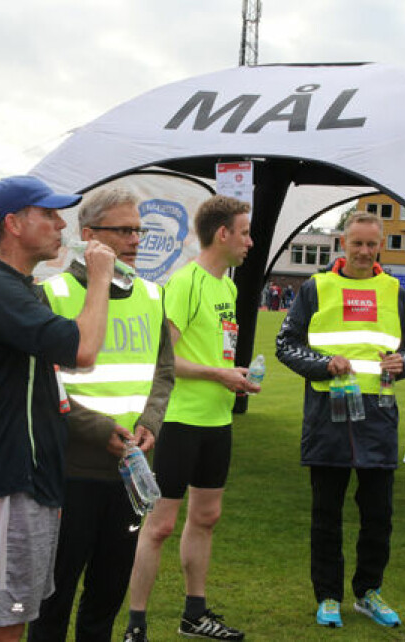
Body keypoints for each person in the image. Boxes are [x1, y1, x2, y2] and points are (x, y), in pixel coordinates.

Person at [0, 175, 116, 642]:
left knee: (14, 617)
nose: (60, 224)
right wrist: (100, 277)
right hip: (5, 483)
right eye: (48, 214)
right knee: (0, 621)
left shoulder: (18, 288)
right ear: (13, 223)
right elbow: (83, 350)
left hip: (30, 481)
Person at [28, 188, 175, 642]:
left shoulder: (152, 295)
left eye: (139, 229)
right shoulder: (49, 294)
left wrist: (150, 422)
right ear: (88, 235)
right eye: (124, 230)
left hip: (128, 475)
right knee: (52, 601)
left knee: (106, 601)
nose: (135, 240)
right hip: (69, 472)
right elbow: (40, 385)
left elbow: (162, 371)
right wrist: (96, 429)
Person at [123, 195, 260, 642]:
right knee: (160, 525)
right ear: (223, 234)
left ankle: (194, 615)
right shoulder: (185, 283)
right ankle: (136, 625)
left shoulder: (229, 287)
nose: (250, 242)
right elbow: (164, 360)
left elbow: (210, 351)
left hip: (217, 422)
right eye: (244, 232)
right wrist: (216, 373)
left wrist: (233, 375)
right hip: (180, 421)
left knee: (207, 517)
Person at [275, 211, 405, 630]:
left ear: (381, 246)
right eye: (357, 243)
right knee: (327, 515)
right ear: (342, 243)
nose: (364, 251)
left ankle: (369, 591)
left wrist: (402, 363)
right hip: (329, 418)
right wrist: (324, 364)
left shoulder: (395, 291)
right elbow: (286, 345)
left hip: (378, 418)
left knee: (379, 516)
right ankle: (328, 596)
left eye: (372, 244)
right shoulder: (315, 288)